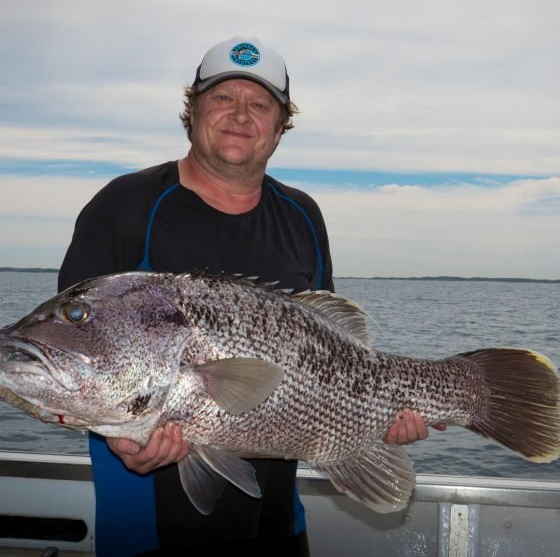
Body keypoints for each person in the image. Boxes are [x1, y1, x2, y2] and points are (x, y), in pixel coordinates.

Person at [58, 36, 443, 557]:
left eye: (260, 104)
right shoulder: (125, 205)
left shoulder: (303, 214)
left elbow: (334, 348)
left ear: (281, 126)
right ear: (192, 110)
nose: (240, 115)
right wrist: (122, 440)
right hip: (150, 527)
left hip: (276, 523)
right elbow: (73, 358)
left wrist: (376, 417)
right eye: (222, 98)